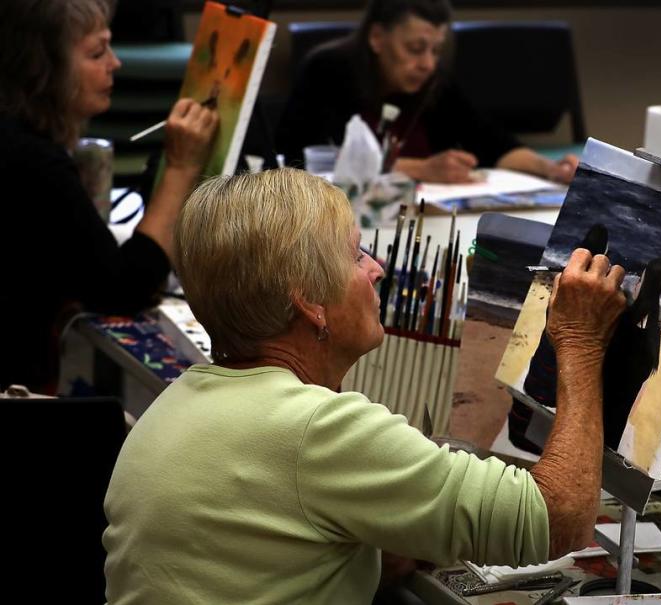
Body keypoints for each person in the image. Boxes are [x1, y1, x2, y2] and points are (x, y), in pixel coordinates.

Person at [103, 168, 626, 603]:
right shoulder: (316, 429)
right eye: (356, 256)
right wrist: (579, 341)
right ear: (309, 299)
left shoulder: (179, 398)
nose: (376, 270)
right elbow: (560, 519)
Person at [0, 0, 218, 393]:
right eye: (97, 52)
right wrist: (182, 167)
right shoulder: (32, 162)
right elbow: (123, 289)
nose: (115, 63)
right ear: (42, 68)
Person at [276, 0, 579, 184]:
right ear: (377, 38)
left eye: (436, 50)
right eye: (416, 49)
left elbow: (492, 143)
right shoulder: (327, 70)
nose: (428, 64)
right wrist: (421, 168)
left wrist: (551, 169)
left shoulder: (435, 82)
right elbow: (304, 159)